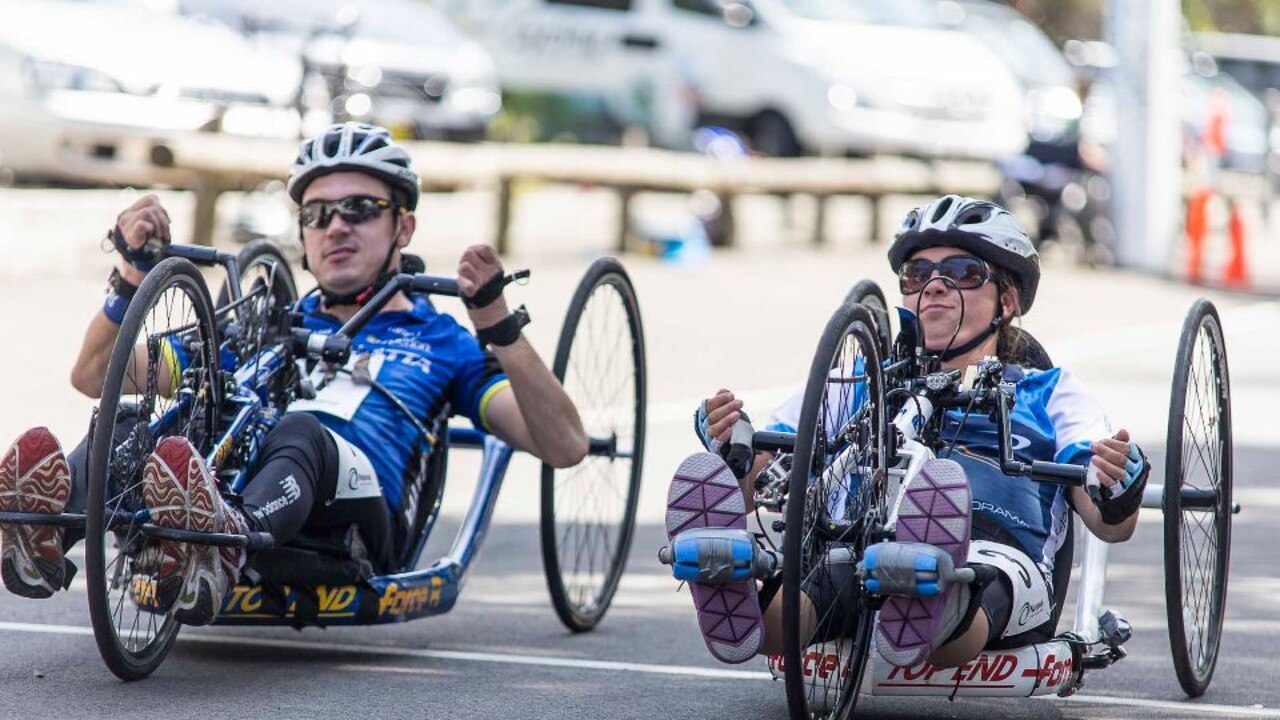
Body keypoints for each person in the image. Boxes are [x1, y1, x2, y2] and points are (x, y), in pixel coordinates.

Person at [0, 122, 588, 625]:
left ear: (403, 228)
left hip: (352, 529)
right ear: (303, 235)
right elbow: (95, 373)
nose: (337, 227)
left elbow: (563, 444)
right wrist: (129, 277)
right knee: (131, 423)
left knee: (303, 429)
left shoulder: (445, 343)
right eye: (318, 214)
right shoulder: (264, 327)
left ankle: (221, 545)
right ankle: (45, 530)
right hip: (234, 491)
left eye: (360, 209)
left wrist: (497, 323)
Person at [663, 195, 1148, 668]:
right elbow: (763, 480)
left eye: (961, 272)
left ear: (1006, 300)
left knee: (967, 577)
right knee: (827, 579)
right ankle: (729, 582)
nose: (934, 285)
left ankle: (927, 595)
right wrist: (734, 452)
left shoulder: (1052, 390)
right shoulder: (860, 384)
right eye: (917, 274)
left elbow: (1107, 520)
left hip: (997, 552)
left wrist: (1116, 487)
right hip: (864, 547)